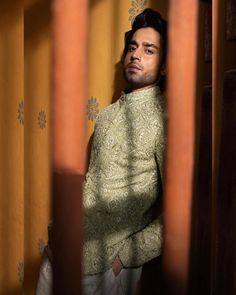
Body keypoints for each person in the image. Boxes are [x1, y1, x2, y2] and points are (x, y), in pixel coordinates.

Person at [36, 8, 167, 295]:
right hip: (58, 254)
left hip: (105, 269)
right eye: (132, 47)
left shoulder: (165, 120)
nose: (135, 55)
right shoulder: (106, 116)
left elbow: (180, 214)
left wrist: (124, 258)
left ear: (164, 65)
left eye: (149, 50)